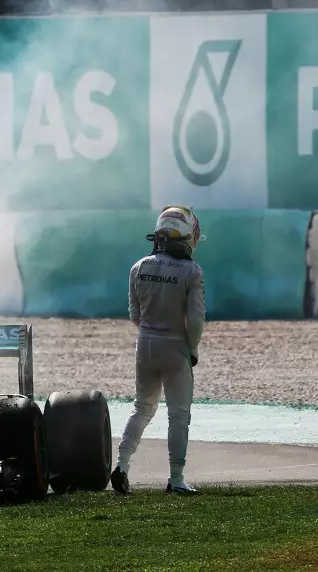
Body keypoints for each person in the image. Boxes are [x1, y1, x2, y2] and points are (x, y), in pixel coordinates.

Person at [111, 206, 206, 496]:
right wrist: (192, 349)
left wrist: (149, 331)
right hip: (175, 345)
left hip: (145, 343)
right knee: (178, 415)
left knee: (142, 408)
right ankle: (176, 479)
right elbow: (196, 320)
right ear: (188, 236)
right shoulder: (192, 271)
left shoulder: (138, 266)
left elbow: (134, 314)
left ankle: (121, 465)